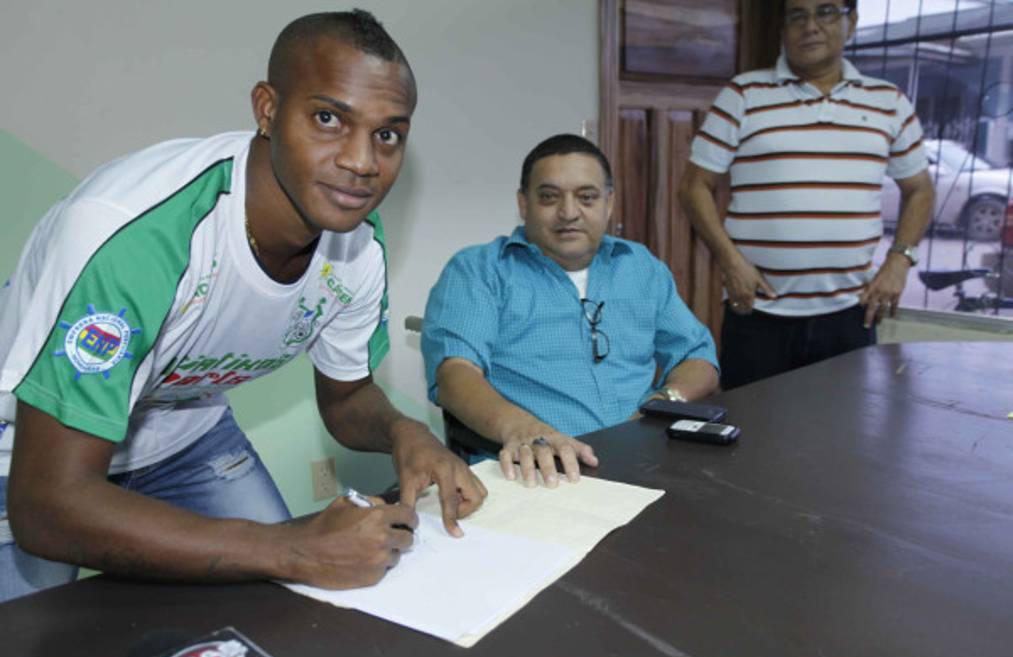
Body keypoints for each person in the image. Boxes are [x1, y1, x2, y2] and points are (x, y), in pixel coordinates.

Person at [0, 10, 487, 603]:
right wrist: (291, 546)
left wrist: (405, 431)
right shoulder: (136, 236)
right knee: (37, 642)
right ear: (267, 109)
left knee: (282, 612)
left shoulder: (359, 246)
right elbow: (46, 506)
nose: (362, 162)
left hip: (184, 430)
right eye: (329, 118)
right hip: (28, 455)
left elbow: (348, 397)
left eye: (388, 134)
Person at [422, 134, 719, 488]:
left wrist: (663, 401)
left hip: (647, 460)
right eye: (549, 197)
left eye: (586, 197)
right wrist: (525, 430)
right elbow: (455, 374)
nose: (568, 212)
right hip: (538, 474)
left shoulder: (639, 266)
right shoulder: (480, 270)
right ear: (523, 203)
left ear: (608, 203)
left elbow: (698, 356)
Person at [678, 0, 935, 390]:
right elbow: (694, 186)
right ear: (783, 29)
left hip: (850, 315)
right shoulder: (744, 94)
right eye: (797, 15)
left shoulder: (889, 102)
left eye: (826, 11)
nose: (810, 26)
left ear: (852, 22)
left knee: (840, 438)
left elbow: (920, 189)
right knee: (751, 439)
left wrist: (899, 261)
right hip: (757, 314)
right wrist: (730, 262)